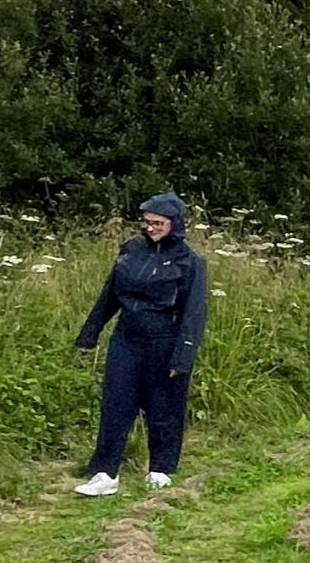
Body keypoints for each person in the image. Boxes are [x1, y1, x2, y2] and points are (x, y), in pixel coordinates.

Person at [71, 192, 208, 497]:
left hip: (166, 340)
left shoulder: (191, 261)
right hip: (127, 338)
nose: (150, 228)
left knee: (164, 407)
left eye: (157, 222)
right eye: (146, 222)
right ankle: (105, 473)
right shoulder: (131, 250)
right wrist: (88, 335)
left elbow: (194, 313)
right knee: (115, 404)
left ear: (175, 223)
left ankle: (160, 470)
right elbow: (110, 294)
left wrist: (182, 357)